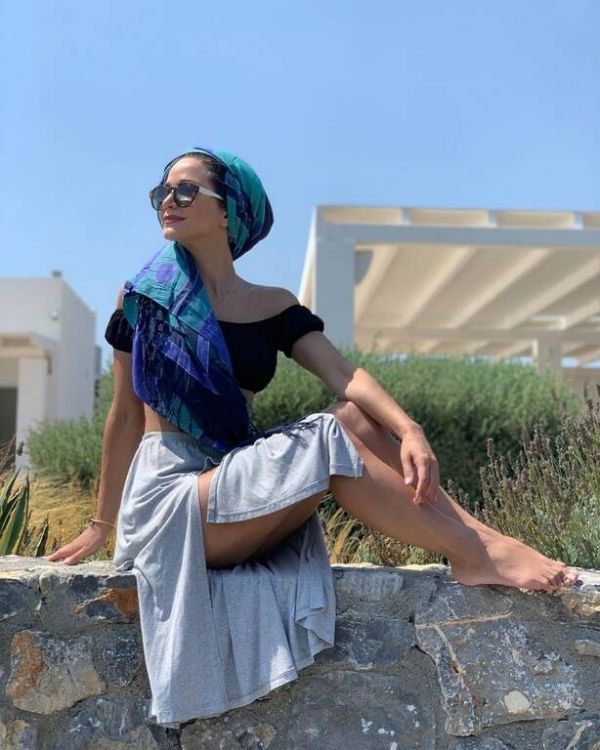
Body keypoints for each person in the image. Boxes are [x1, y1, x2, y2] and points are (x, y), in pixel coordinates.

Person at [45, 147, 577, 727]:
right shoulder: (144, 299)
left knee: (352, 417)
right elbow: (124, 416)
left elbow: (344, 375)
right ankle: (476, 553)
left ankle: (484, 545)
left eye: (186, 190)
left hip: (231, 481)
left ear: (228, 212)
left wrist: (409, 429)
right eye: (162, 192)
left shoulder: (271, 305)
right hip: (171, 499)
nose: (167, 201)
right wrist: (101, 524)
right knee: (330, 430)